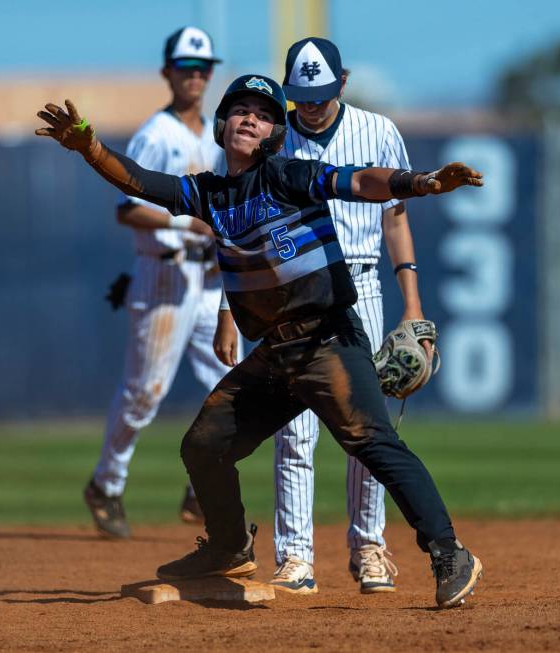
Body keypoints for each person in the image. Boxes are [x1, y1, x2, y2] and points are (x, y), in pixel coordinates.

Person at [35, 74, 484, 608]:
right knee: (203, 444)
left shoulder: (289, 175)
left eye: (264, 113)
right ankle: (228, 547)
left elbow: (361, 182)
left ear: (274, 133)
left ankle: (450, 553)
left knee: (373, 444)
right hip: (277, 355)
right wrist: (89, 147)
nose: (250, 117)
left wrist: (424, 181)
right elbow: (138, 181)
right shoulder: (209, 193)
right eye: (241, 109)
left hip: (328, 341)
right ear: (223, 125)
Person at [213, 38, 425, 594]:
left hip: (362, 284)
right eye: (301, 95)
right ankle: (297, 557)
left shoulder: (377, 130)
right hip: (286, 293)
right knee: (295, 434)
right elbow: (236, 228)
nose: (310, 106)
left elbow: (395, 219)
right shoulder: (269, 137)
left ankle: (370, 547)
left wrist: (414, 307)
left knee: (365, 432)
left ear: (343, 84)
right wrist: (226, 311)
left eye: (322, 94)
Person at [82, 26, 240, 538]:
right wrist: (183, 223)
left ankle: (202, 488)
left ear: (210, 73)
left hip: (207, 277)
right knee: (144, 393)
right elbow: (127, 210)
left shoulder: (213, 137)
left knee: (231, 381)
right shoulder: (157, 133)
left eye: (202, 67)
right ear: (167, 72)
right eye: (186, 66)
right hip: (165, 273)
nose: (195, 75)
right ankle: (106, 483)